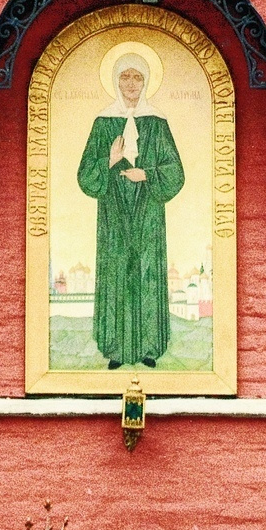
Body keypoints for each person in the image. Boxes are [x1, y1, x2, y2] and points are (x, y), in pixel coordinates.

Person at [75, 52, 185, 370]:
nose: (131, 84)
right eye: (125, 77)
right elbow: (84, 175)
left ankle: (149, 347)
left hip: (149, 210)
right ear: (115, 81)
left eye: (138, 77)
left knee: (147, 271)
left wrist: (147, 174)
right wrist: (109, 160)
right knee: (117, 271)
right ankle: (116, 349)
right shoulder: (102, 123)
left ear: (146, 81)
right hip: (113, 212)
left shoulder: (157, 123)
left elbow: (176, 171)